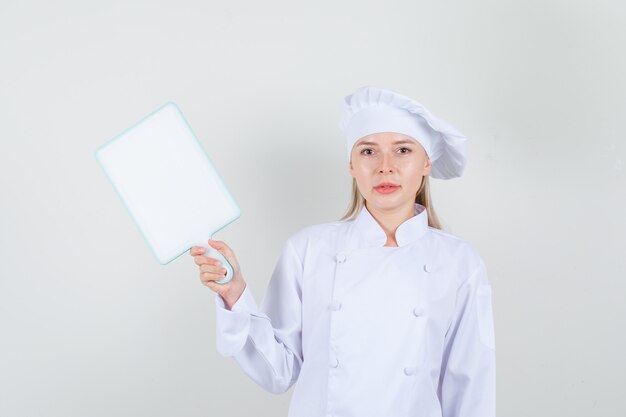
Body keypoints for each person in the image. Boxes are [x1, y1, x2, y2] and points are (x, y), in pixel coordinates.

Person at [189, 86, 496, 417]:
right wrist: (235, 295)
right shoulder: (307, 249)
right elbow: (276, 371)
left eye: (403, 150)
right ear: (351, 165)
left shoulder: (459, 262)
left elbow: (470, 386)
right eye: (368, 152)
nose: (385, 167)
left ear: (426, 164)